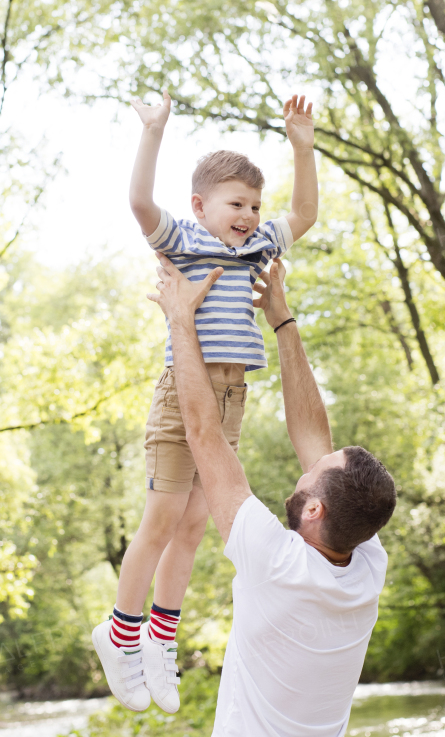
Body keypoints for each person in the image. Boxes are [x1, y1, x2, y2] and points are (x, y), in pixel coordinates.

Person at [90, 90, 320, 713]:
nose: (247, 215)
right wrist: (153, 133)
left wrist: (303, 148)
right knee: (161, 520)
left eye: (253, 205)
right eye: (234, 204)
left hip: (231, 395)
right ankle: (120, 631)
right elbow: (139, 203)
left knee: (196, 524)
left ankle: (161, 641)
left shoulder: (256, 249)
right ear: (201, 205)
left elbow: (305, 212)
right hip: (182, 395)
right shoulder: (184, 240)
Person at [149, 254, 397, 735]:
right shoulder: (365, 563)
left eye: (317, 470)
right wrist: (282, 319)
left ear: (315, 509)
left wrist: (181, 320)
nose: (308, 465)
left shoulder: (277, 563)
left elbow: (203, 433)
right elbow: (313, 437)